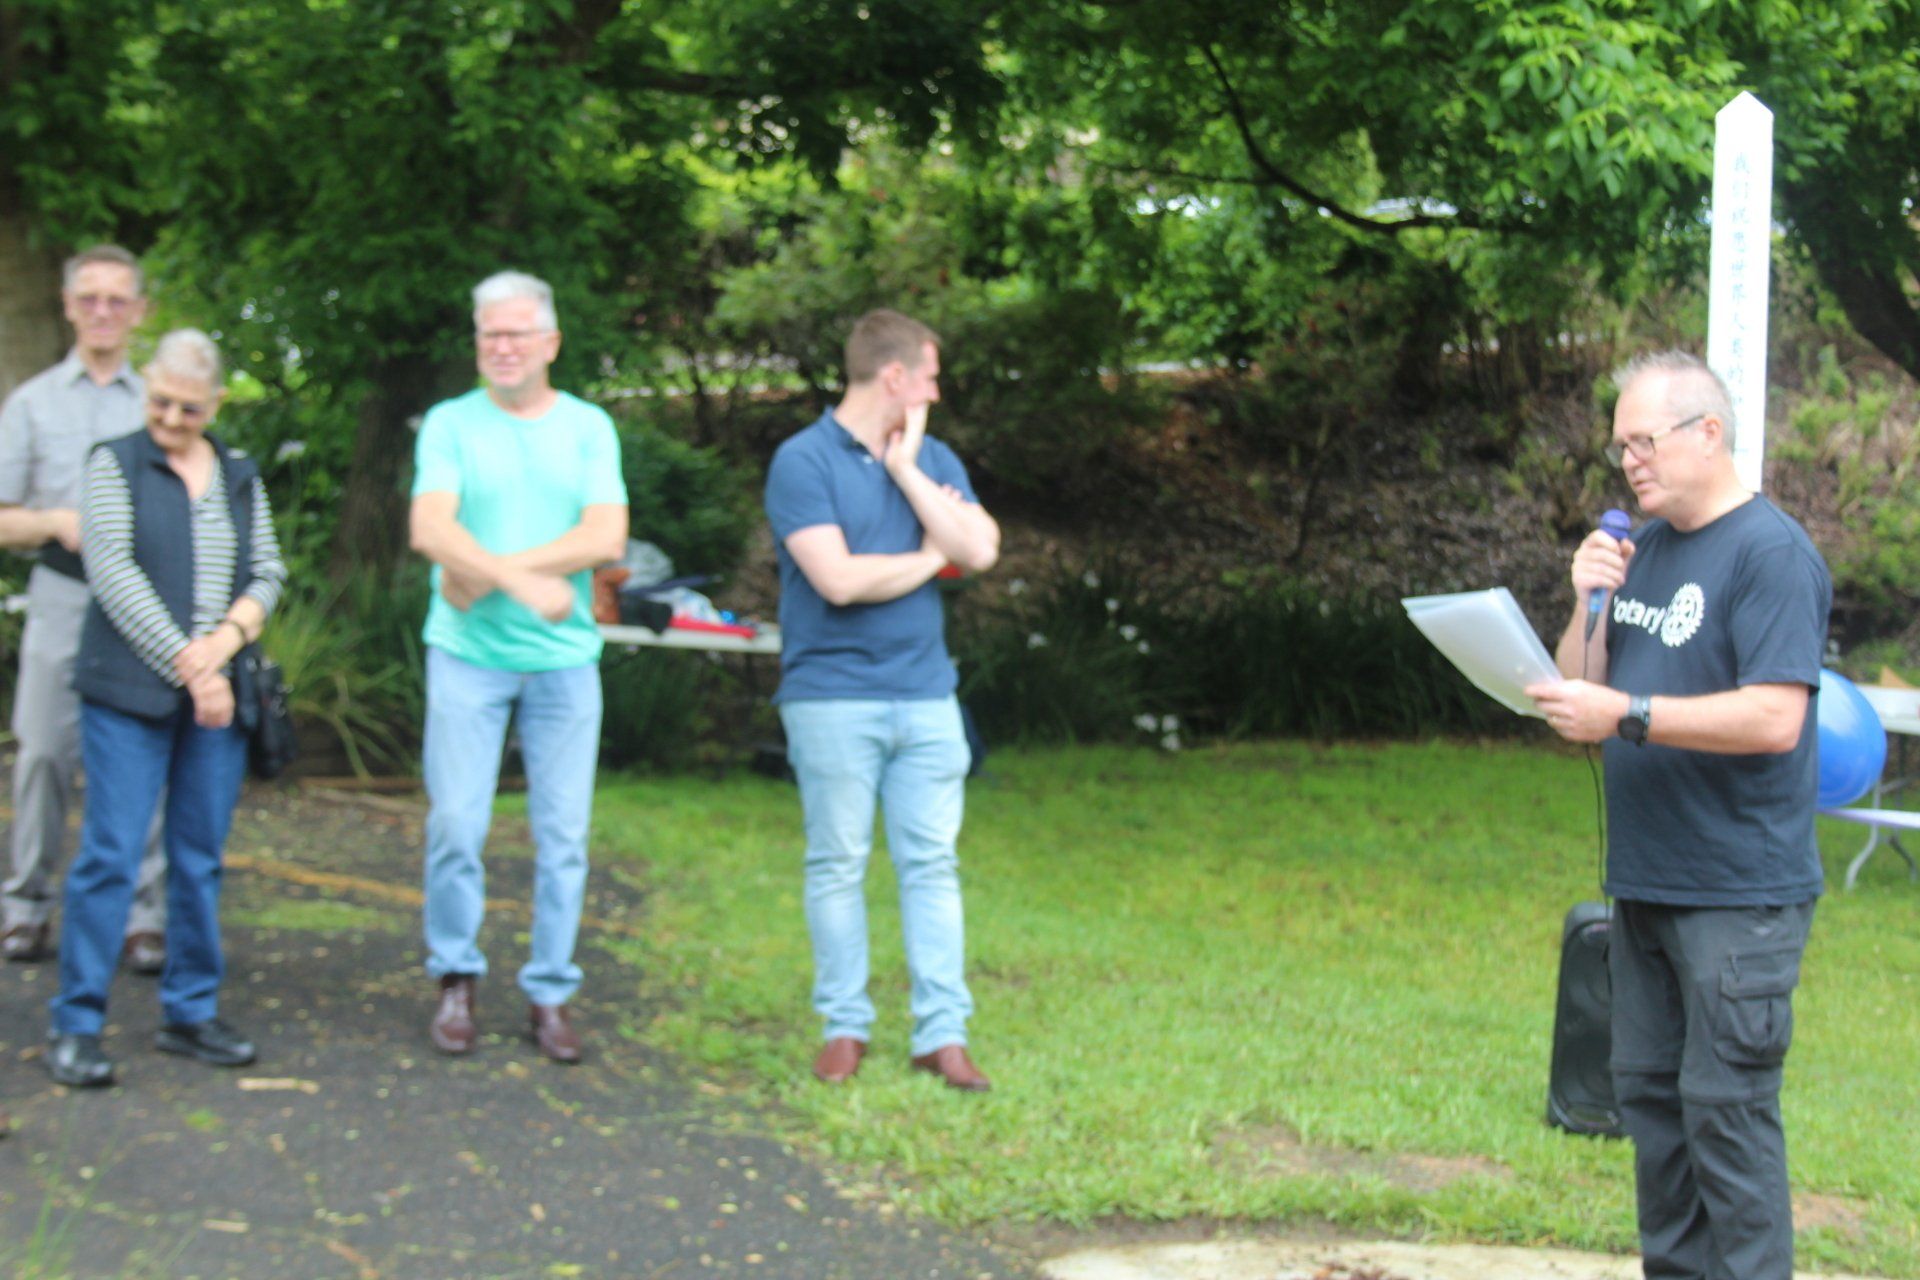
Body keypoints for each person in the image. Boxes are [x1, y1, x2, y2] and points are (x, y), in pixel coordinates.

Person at [1526, 351, 1830, 1280]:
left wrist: (1630, 715)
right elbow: (1580, 691)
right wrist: (1587, 601)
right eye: (1620, 448)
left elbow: (1775, 719)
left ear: (1709, 433)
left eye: (1644, 442)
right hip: (1647, 883)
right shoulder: (1644, 552)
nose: (1630, 464)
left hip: (1738, 897)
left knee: (1726, 1118)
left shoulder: (1772, 556)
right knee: (1653, 1111)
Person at [763, 309, 1001, 1091]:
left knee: (932, 865)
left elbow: (980, 549)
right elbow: (837, 580)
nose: (936, 392)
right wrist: (930, 558)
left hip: (927, 696)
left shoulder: (931, 458)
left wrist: (905, 472)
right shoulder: (802, 461)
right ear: (894, 377)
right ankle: (845, 1027)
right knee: (837, 863)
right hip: (831, 698)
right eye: (929, 377)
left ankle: (942, 1035)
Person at [45, 328, 288, 1087]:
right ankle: (76, 1023)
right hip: (128, 695)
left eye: (189, 407)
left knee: (199, 857)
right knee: (111, 856)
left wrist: (225, 644)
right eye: (159, 402)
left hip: (215, 697)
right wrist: (196, 668)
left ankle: (190, 1011)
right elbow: (112, 574)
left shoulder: (240, 474)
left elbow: (268, 571)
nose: (171, 419)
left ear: (215, 403)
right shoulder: (113, 463)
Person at [408, 271, 627, 1064]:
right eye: (489, 334)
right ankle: (456, 976)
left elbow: (605, 535)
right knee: (456, 824)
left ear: (550, 343)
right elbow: (430, 529)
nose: (502, 348)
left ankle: (550, 992)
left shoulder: (589, 427)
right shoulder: (450, 423)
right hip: (467, 656)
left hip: (564, 662)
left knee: (563, 835)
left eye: (517, 334)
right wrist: (526, 582)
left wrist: (492, 572)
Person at [0, 245, 168, 971]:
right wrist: (55, 521)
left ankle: (144, 916)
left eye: (117, 299)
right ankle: (25, 907)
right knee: (41, 751)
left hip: (148, 601)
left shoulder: (158, 401)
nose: (103, 311)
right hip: (63, 592)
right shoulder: (32, 402)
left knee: (146, 753)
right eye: (90, 298)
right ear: (69, 306)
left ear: (139, 311)